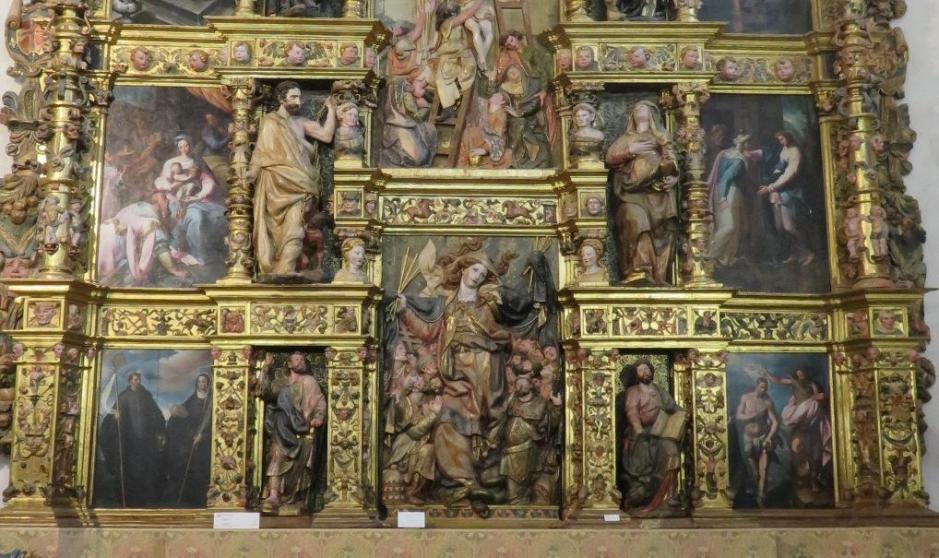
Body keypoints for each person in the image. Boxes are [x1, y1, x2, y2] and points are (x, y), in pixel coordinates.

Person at [393, 247, 554, 511]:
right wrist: (404, 311)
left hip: (487, 369)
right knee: (447, 423)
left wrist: (537, 281)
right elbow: (428, 331)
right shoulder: (446, 304)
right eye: (475, 269)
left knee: (488, 422)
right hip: (457, 374)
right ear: (463, 269)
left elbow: (517, 310)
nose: (478, 276)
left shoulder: (488, 301)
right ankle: (466, 483)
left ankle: (488, 477)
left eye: (483, 273)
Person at [250, 81, 337, 277]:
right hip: (275, 183)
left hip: (300, 183)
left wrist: (331, 109)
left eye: (299, 97)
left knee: (296, 226)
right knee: (274, 230)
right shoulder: (270, 121)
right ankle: (277, 265)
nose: (299, 101)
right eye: (294, 97)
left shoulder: (301, 123)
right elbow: (261, 151)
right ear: (282, 99)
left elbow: (326, 135)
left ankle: (287, 268)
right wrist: (252, 172)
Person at [606, 101, 679, 284]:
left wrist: (674, 177)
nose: (639, 110)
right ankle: (640, 269)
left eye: (643, 108)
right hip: (630, 194)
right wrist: (631, 151)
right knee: (636, 220)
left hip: (658, 194)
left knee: (664, 230)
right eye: (636, 108)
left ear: (652, 113)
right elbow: (610, 158)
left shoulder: (661, 136)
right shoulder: (626, 139)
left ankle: (659, 275)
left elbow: (671, 160)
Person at [260, 352, 327, 511]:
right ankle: (274, 494)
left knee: (303, 456)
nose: (301, 362)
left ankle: (297, 496)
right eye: (297, 360)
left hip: (303, 428)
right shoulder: (281, 382)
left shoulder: (309, 381)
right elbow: (265, 393)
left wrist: (318, 417)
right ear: (289, 364)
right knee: (276, 454)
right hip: (282, 427)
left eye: (303, 359)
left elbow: (320, 401)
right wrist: (265, 369)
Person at [153, 134, 228, 270]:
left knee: (223, 213)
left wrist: (198, 196)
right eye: (181, 146)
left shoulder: (197, 162)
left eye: (186, 145)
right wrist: (173, 187)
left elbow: (208, 181)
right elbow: (161, 182)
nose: (184, 148)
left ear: (190, 146)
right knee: (196, 217)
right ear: (177, 148)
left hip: (198, 199)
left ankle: (218, 251)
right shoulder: (171, 163)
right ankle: (198, 255)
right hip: (176, 201)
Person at [620, 360, 684, 512]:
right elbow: (632, 411)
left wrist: (682, 414)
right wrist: (639, 430)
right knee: (643, 463)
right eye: (641, 370)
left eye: (648, 369)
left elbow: (672, 406)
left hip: (662, 432)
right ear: (636, 374)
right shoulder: (634, 391)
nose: (646, 373)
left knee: (672, 453)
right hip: (642, 434)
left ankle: (668, 496)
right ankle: (640, 496)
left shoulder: (659, 390)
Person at [98, 371, 166, 507]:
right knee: (129, 469)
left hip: (145, 440)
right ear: (130, 381)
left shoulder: (146, 396)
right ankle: (129, 498)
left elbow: (156, 413)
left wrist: (156, 422)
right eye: (135, 379)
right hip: (129, 441)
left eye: (138, 379)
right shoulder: (123, 397)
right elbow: (112, 416)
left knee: (146, 468)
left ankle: (145, 498)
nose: (137, 381)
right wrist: (116, 418)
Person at [758, 130, 814, 266]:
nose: (780, 142)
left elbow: (790, 173)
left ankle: (807, 252)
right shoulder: (784, 150)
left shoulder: (794, 151)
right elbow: (779, 169)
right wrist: (771, 181)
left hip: (789, 192)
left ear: (788, 137)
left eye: (782, 139)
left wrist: (770, 187)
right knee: (780, 228)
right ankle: (794, 254)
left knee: (789, 227)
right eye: (779, 139)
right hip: (778, 192)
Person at [708, 133, 759, 267]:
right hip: (728, 192)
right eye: (747, 142)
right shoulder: (739, 160)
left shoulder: (724, 153)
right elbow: (725, 178)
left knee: (733, 228)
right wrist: (723, 198)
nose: (749, 145)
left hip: (723, 191)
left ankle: (725, 258)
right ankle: (710, 255)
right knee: (729, 226)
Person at [163, 373, 212, 507]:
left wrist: (203, 436)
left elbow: (213, 423)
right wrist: (175, 412)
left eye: (204, 381)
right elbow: (183, 416)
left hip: (206, 442)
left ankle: (201, 500)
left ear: (208, 384)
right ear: (196, 384)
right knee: (188, 469)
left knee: (202, 470)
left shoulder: (211, 401)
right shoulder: (192, 400)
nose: (202, 384)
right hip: (191, 440)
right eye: (199, 381)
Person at [735, 377, 779, 507]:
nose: (763, 390)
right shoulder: (746, 398)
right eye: (761, 387)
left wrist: (769, 437)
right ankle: (756, 487)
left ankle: (761, 495)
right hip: (748, 437)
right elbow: (738, 415)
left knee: (763, 468)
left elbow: (775, 422)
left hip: (762, 437)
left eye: (765, 388)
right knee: (754, 469)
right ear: (756, 385)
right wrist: (752, 416)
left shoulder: (767, 402)